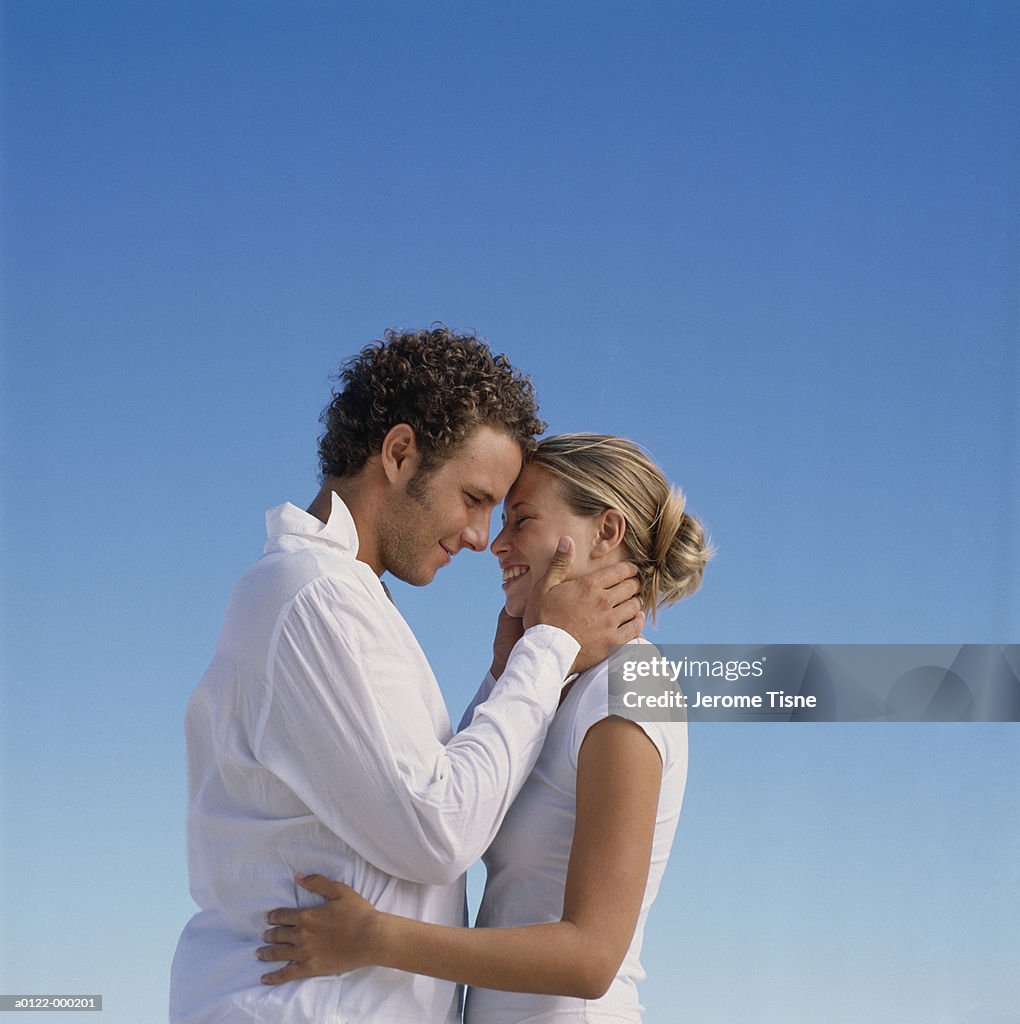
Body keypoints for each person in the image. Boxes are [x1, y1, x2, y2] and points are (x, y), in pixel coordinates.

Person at [169, 333, 646, 1024]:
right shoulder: (314, 597)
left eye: (512, 514)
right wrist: (546, 650)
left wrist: (511, 669)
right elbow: (440, 828)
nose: (485, 538)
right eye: (478, 499)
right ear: (398, 454)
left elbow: (436, 794)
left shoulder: (349, 600)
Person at [257, 433, 712, 1023]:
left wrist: (374, 938)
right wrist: (505, 673)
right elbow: (450, 804)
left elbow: (592, 957)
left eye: (521, 519)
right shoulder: (554, 684)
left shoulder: (634, 684)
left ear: (606, 532)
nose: (496, 543)